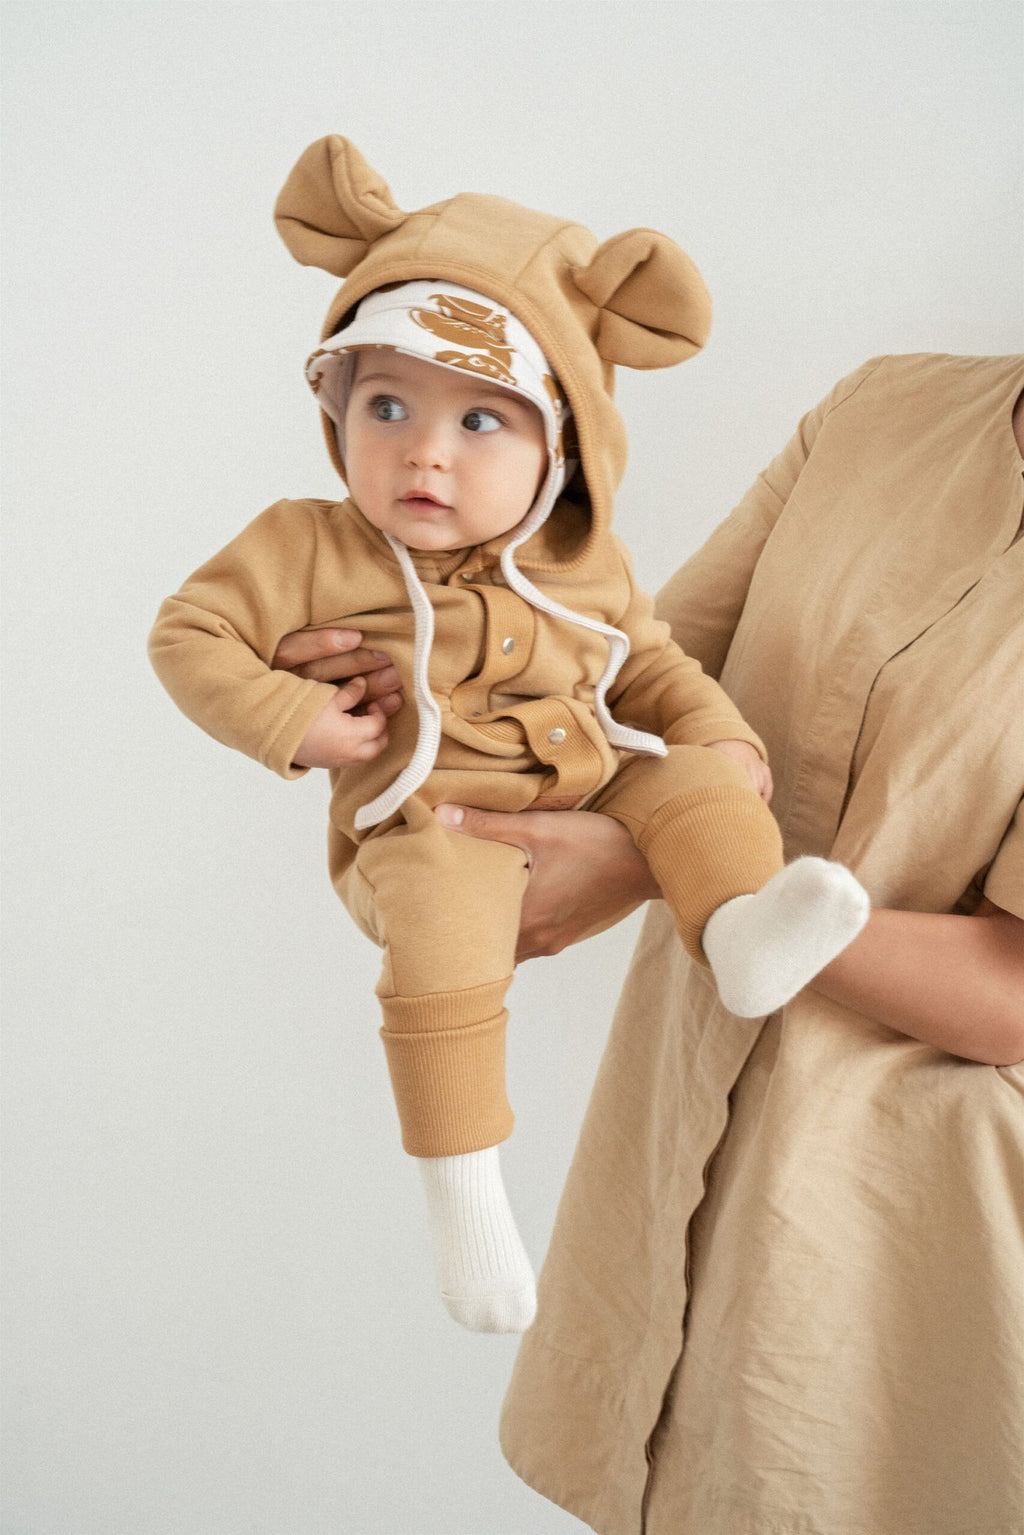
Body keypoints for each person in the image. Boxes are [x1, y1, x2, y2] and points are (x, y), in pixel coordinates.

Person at [276, 353, 1024, 1529]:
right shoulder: (885, 411)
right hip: (682, 1124)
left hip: (910, 1216)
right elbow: (628, 677)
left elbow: (1016, 987)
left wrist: (658, 864)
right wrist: (411, 670)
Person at [148, 135, 871, 1337]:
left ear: (561, 451)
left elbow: (649, 664)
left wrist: (721, 740)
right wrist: (292, 716)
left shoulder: (584, 564)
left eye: (481, 419)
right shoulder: (305, 543)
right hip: (427, 816)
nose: (423, 449)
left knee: (696, 779)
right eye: (385, 406)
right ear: (335, 413)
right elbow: (188, 632)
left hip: (599, 782)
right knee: (440, 920)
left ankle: (739, 932)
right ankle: (463, 1192)